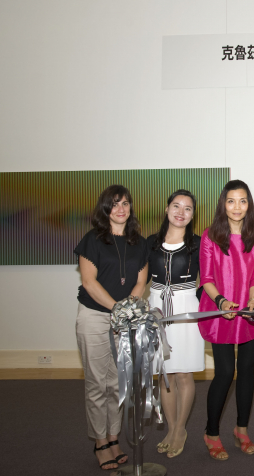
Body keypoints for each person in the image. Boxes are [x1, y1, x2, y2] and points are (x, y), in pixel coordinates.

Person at [74, 185, 148, 470]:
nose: (121, 208)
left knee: (118, 383)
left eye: (126, 203)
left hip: (125, 319)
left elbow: (141, 283)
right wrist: (117, 308)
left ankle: (114, 437)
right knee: (97, 383)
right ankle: (100, 440)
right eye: (115, 204)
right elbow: (89, 282)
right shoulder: (92, 240)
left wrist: (128, 308)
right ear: (105, 208)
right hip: (94, 316)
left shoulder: (138, 243)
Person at [198, 180, 254, 460]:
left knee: (248, 372)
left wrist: (253, 300)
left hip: (249, 311)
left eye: (242, 201)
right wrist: (222, 302)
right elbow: (207, 279)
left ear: (248, 204)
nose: (237, 207)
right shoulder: (210, 236)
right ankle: (211, 432)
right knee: (225, 373)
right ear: (223, 204)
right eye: (231, 201)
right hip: (221, 311)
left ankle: (241, 429)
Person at [147, 189, 204, 458]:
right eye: (176, 206)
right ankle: (170, 428)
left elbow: (211, 279)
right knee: (165, 374)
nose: (181, 212)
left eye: (188, 208)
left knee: (184, 373)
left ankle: (181, 428)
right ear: (167, 208)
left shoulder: (199, 243)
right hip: (157, 308)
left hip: (186, 310)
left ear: (193, 214)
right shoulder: (150, 242)